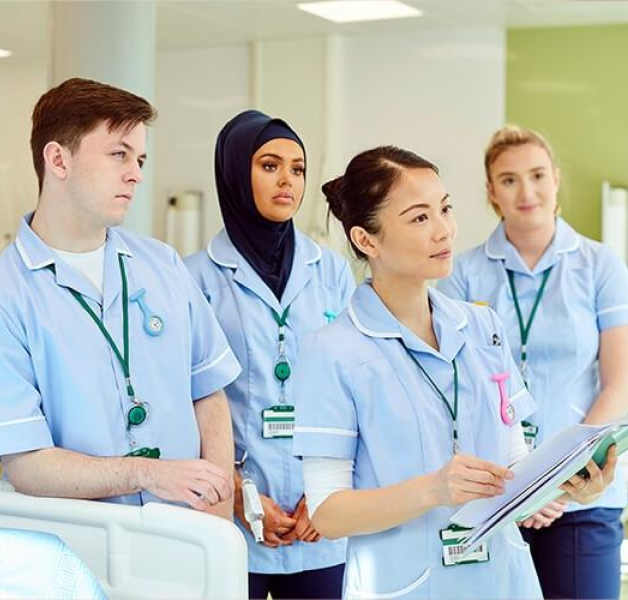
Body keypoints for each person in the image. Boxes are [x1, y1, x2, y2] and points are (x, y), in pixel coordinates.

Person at [291, 145, 616, 599]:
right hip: (404, 584)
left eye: (445, 209)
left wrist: (566, 483)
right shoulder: (332, 351)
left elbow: (513, 464)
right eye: (420, 218)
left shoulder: (483, 327)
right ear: (368, 240)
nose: (444, 230)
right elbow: (328, 512)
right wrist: (433, 490)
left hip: (504, 581)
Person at [0, 78, 241, 517]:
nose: (136, 173)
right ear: (58, 159)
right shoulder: (8, 293)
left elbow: (208, 391)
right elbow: (28, 465)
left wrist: (218, 510)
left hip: (187, 536)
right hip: (82, 547)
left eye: (140, 158)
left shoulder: (163, 264)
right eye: (119, 154)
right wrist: (146, 474)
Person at [437, 125, 628, 599]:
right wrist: (519, 487)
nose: (527, 191)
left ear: (556, 179)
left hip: (583, 494)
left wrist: (562, 479)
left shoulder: (600, 266)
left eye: (538, 175)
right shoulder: (461, 275)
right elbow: (454, 390)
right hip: (496, 494)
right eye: (509, 179)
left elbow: (619, 383)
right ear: (490, 192)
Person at [185, 110, 353, 599]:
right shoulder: (193, 278)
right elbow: (186, 398)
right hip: (234, 513)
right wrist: (236, 491)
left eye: (298, 169)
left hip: (318, 517)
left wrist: (328, 492)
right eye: (269, 165)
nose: (287, 181)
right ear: (237, 174)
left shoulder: (333, 273)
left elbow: (353, 390)